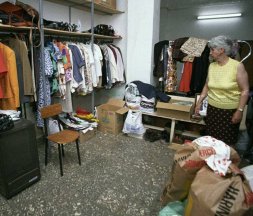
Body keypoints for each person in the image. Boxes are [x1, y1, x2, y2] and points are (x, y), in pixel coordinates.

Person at [195, 35, 249, 146]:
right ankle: (213, 162)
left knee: (226, 143)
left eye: (212, 49)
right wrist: (199, 103)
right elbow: (206, 86)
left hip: (229, 112)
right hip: (212, 109)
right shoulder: (212, 66)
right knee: (212, 140)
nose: (210, 52)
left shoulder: (237, 66)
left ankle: (226, 162)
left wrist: (240, 111)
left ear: (221, 50)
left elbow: (245, 90)